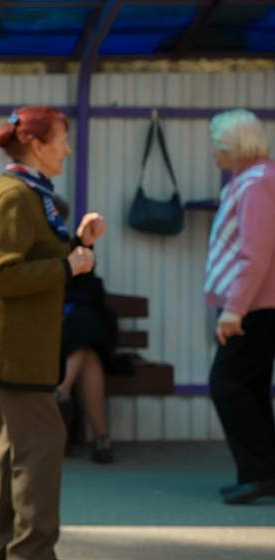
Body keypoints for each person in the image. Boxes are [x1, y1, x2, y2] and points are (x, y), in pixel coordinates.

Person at [0, 106, 105, 560]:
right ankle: (31, 552)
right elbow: (1, 273)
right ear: (37, 145)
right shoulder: (15, 195)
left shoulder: (28, 192)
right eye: (61, 140)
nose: (68, 150)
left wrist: (79, 244)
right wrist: (67, 264)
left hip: (19, 352)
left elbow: (29, 259)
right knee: (38, 455)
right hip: (16, 355)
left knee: (12, 457)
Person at [205, 109, 275, 505]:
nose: (215, 154)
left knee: (228, 384)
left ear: (236, 147)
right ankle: (263, 471)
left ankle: (258, 472)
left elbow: (255, 253)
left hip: (253, 308)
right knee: (250, 387)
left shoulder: (256, 183)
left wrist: (234, 310)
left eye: (219, 147)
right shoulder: (256, 179)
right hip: (258, 305)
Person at [57, 268, 117, 464]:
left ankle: (62, 391)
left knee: (84, 332)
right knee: (87, 353)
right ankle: (101, 436)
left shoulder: (86, 279)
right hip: (45, 349)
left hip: (74, 346)